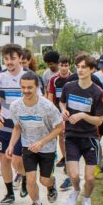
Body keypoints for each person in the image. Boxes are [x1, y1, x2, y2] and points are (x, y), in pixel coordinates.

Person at [8, 72, 64, 205]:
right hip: (28, 146)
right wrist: (11, 145)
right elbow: (17, 127)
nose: (26, 91)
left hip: (47, 147)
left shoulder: (47, 106)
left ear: (37, 87)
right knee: (31, 178)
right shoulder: (15, 106)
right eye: (23, 87)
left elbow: (60, 127)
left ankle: (51, 185)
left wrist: (42, 142)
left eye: (30, 88)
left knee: (44, 180)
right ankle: (36, 204)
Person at [60, 54, 103, 205]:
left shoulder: (97, 92)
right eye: (78, 66)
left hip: (90, 138)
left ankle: (87, 199)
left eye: (84, 67)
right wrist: (63, 110)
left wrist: (83, 115)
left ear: (92, 69)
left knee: (90, 178)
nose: (80, 70)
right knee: (73, 175)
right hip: (71, 136)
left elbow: (99, 121)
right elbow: (62, 101)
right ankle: (76, 190)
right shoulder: (69, 87)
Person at [0, 43, 28, 205]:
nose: (9, 62)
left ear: (20, 58)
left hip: (23, 125)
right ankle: (10, 192)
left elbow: (39, 101)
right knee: (5, 159)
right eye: (6, 58)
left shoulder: (29, 77)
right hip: (5, 123)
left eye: (12, 58)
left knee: (16, 161)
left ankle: (25, 177)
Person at [47, 55, 72, 187]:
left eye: (66, 65)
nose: (63, 68)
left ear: (69, 66)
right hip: (57, 112)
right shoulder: (53, 80)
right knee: (61, 136)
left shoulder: (73, 78)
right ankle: (64, 157)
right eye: (61, 65)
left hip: (71, 112)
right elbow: (50, 97)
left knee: (69, 137)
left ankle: (69, 161)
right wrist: (52, 112)